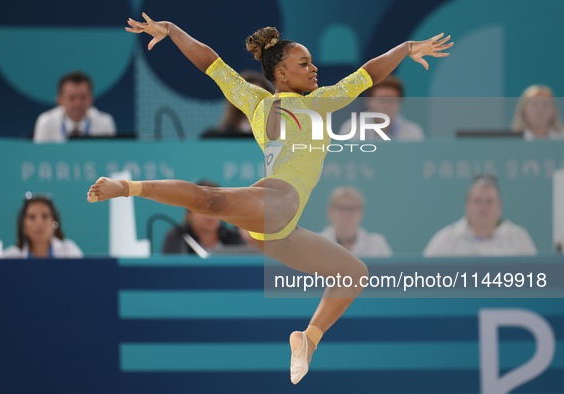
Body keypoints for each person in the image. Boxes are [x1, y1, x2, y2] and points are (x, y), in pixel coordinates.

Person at [87, 13, 451, 384]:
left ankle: (307, 339)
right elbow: (211, 64)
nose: (314, 69)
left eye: (312, 62)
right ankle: (127, 188)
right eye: (304, 63)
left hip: (278, 227)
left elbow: (369, 74)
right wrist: (173, 31)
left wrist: (406, 48)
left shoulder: (320, 101)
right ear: (280, 73)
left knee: (354, 274)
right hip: (278, 200)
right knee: (210, 200)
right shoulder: (259, 102)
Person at [423, 175, 537, 257]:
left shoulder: (518, 238)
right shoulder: (447, 240)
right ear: (467, 205)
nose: (483, 207)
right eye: (477, 201)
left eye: (489, 202)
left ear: (500, 206)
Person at [162, 180, 245, 253]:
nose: (210, 216)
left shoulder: (233, 238)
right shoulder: (178, 237)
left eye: (215, 208)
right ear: (190, 212)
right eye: (203, 209)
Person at [33, 72, 116, 143]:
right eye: (72, 98)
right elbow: (40, 157)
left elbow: (109, 157)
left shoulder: (105, 122)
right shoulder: (46, 122)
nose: (78, 103)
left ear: (91, 99)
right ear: (60, 100)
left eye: (83, 97)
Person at [338, 74, 424, 141]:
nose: (386, 104)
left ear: (400, 102)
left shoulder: (413, 133)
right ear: (369, 101)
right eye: (381, 99)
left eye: (392, 99)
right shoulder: (350, 129)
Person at [320, 186, 392, 257]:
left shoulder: (377, 244)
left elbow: (389, 268)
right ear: (330, 211)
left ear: (361, 213)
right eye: (341, 208)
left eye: (352, 209)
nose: (347, 213)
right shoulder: (318, 243)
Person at [3, 195, 83, 258]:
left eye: (45, 216)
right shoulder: (10, 257)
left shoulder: (70, 252)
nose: (39, 223)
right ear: (23, 225)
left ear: (55, 222)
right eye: (32, 217)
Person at [200, 70, 274, 138]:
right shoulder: (216, 138)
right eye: (247, 94)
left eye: (258, 95)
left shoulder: (281, 135)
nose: (253, 100)